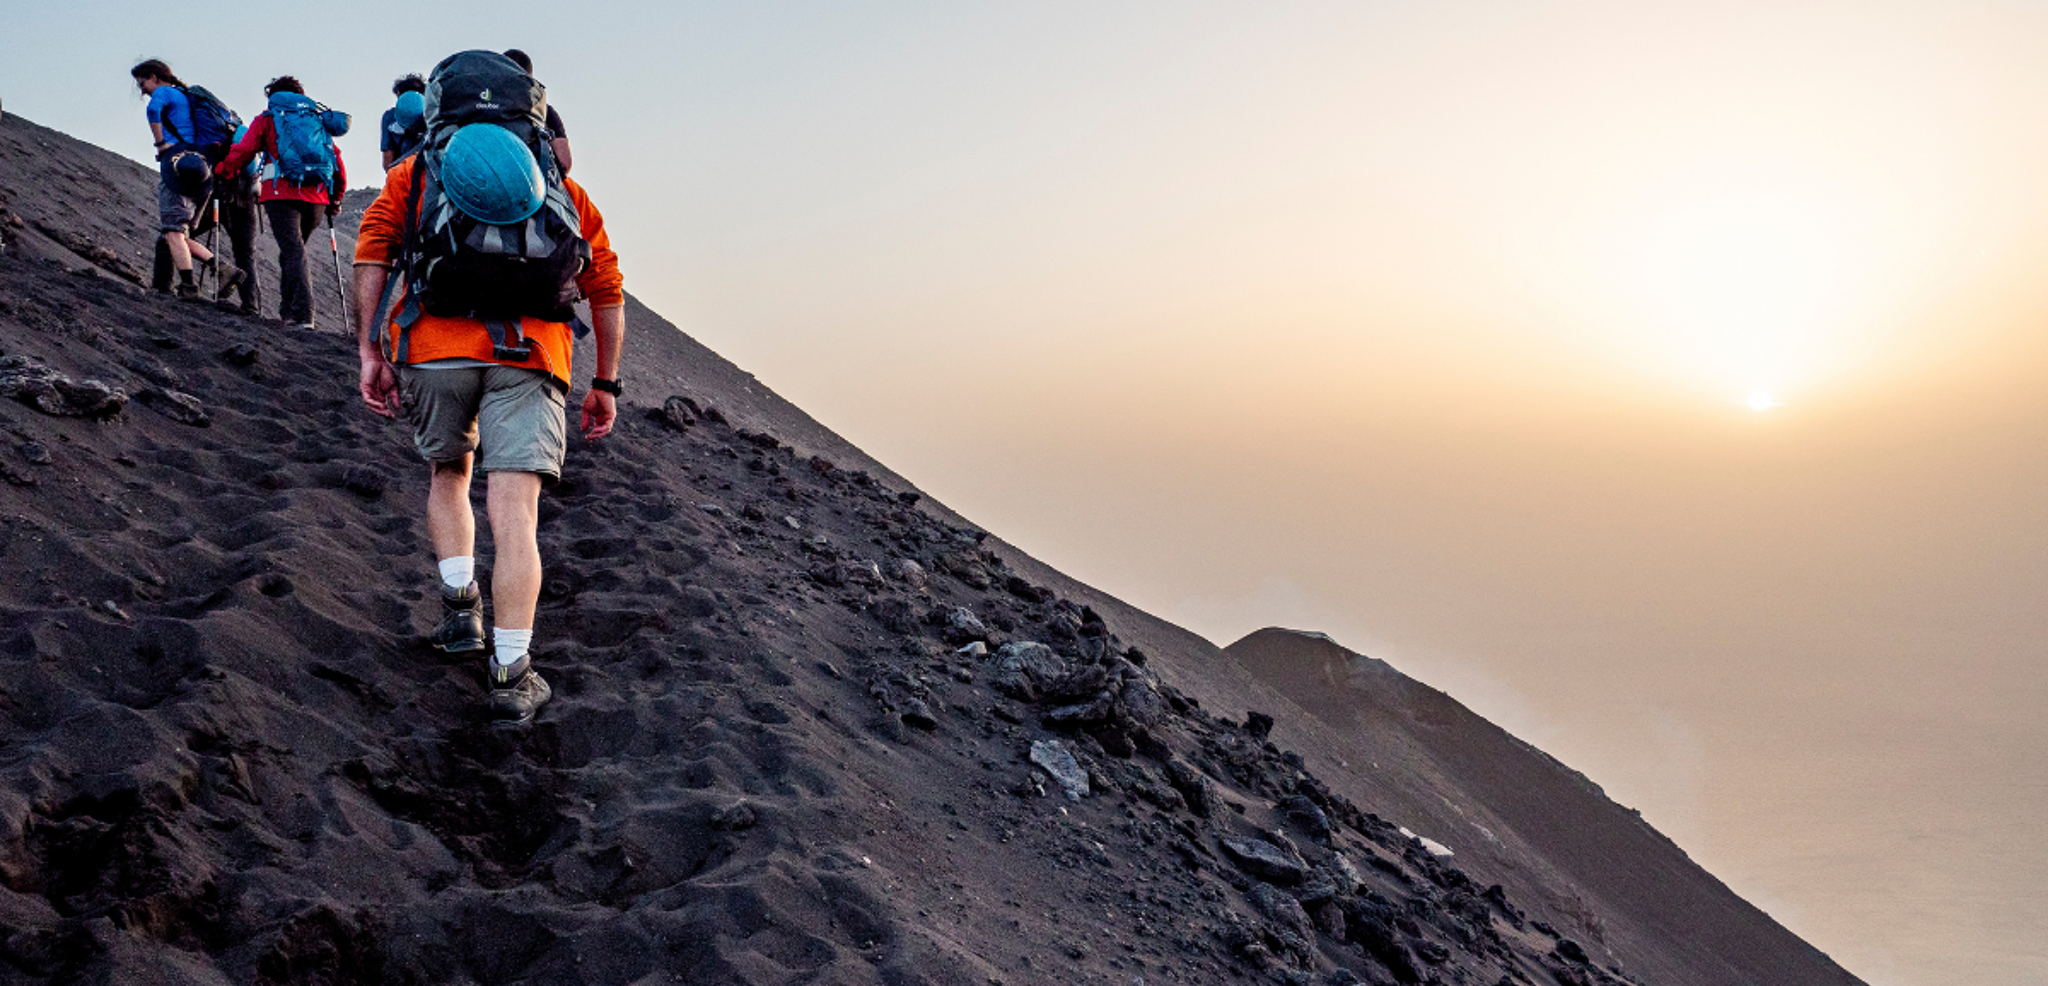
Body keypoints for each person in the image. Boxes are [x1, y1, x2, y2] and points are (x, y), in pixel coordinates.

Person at [352, 49, 624, 724]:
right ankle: (511, 672)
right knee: (516, 515)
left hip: (434, 348)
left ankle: (460, 614)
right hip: (533, 357)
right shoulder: (559, 186)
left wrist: (369, 351)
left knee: (449, 472)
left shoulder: (417, 173)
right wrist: (606, 383)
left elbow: (374, 254)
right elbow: (606, 288)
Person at [217, 76, 347, 330]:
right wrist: (336, 198)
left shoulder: (267, 118)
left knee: (292, 251)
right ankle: (288, 311)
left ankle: (302, 315)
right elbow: (336, 161)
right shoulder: (316, 119)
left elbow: (245, 150)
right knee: (294, 251)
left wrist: (224, 170)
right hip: (316, 198)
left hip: (280, 195)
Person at [132, 60, 243, 302]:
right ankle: (223, 269)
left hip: (179, 168)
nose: (142, 90)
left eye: (143, 83)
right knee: (179, 234)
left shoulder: (164, 92)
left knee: (173, 231)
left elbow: (152, 111)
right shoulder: (186, 96)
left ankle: (189, 287)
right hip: (203, 171)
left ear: (155, 76)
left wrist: (161, 143)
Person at [501, 49, 572, 174]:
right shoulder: (544, 110)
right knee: (578, 193)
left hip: (477, 176)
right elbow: (564, 163)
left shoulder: (476, 103)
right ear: (530, 79)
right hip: (531, 178)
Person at [381, 74, 427, 169]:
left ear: (399, 94)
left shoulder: (389, 117)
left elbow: (388, 160)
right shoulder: (433, 114)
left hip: (402, 172)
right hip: (429, 173)